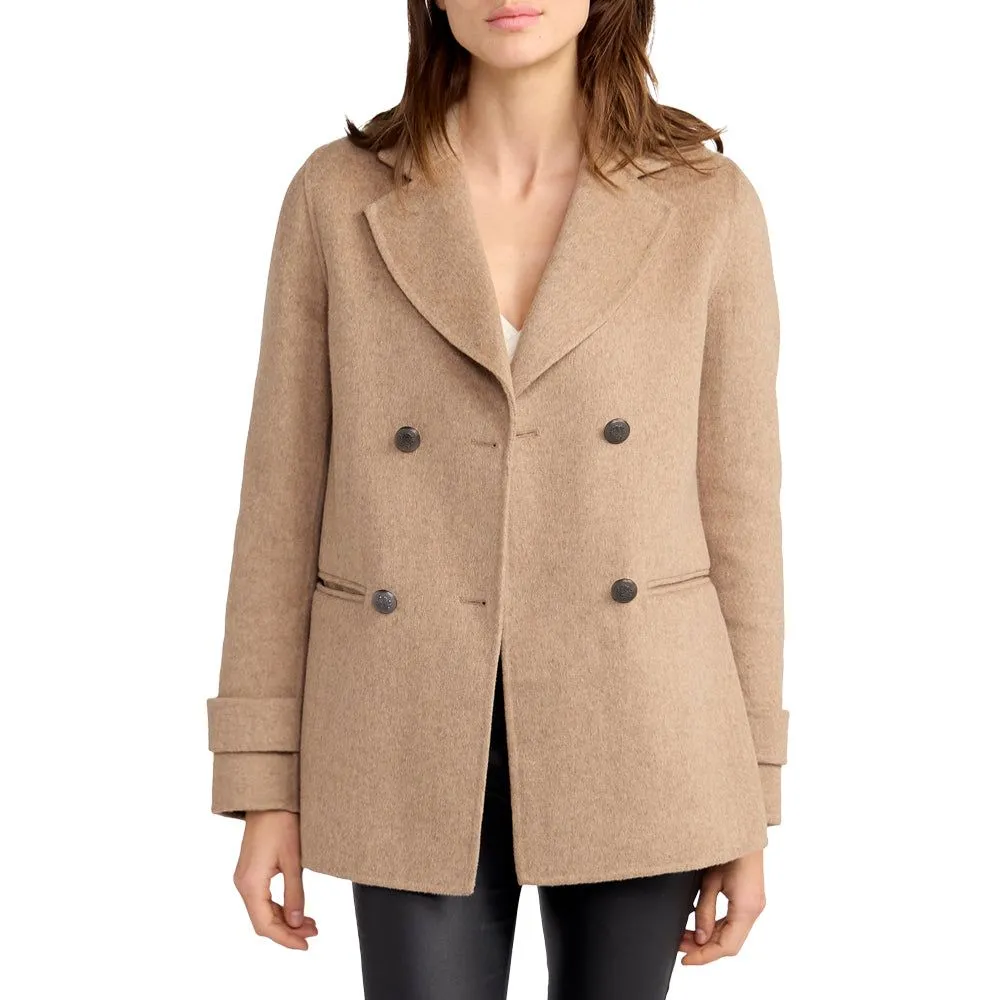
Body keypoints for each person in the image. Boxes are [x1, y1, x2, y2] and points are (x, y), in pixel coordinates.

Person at [206, 2, 788, 997]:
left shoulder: (707, 205)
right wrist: (263, 780)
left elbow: (739, 513)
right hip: (401, 721)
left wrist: (749, 794)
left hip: (645, 727)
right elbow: (280, 502)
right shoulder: (336, 197)